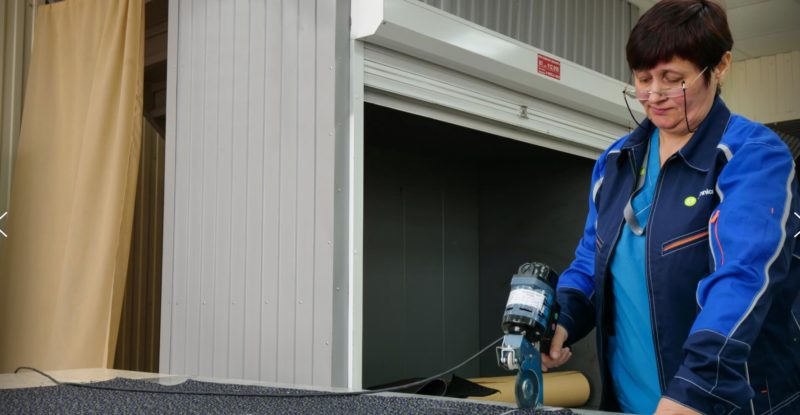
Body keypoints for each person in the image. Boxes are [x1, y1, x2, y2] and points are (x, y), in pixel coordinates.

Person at [542, 1, 800, 413]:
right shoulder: (615, 163)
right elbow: (592, 257)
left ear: (720, 66)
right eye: (642, 79)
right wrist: (564, 319)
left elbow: (743, 277)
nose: (653, 95)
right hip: (632, 403)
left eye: (672, 78)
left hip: (710, 402)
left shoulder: (752, 156)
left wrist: (696, 389)